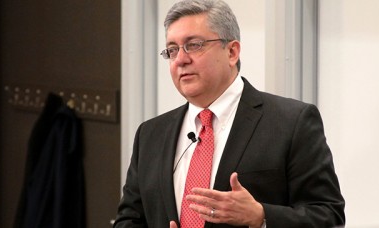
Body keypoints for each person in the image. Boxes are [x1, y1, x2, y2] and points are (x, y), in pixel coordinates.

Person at [114, 0, 345, 227]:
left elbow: (328, 216)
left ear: (232, 52)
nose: (181, 60)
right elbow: (129, 220)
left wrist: (261, 216)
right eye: (172, 50)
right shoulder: (151, 134)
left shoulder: (291, 122)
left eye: (194, 45)